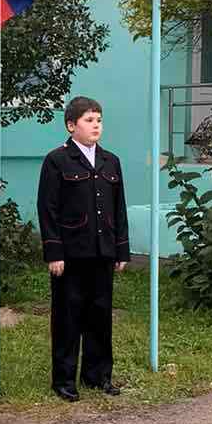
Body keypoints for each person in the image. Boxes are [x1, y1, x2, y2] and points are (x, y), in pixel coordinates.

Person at [37, 96, 130, 401]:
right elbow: (48, 208)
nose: (96, 126)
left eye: (99, 120)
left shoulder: (110, 161)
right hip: (71, 254)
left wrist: (121, 250)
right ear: (71, 125)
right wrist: (54, 251)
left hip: (102, 251)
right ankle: (64, 380)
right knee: (68, 316)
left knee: (100, 315)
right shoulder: (57, 160)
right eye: (89, 120)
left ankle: (98, 375)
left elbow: (119, 209)